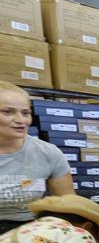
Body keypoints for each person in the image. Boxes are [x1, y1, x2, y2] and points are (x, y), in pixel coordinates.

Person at [0, 83, 74, 235]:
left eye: (26, 113)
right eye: (8, 112)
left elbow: (69, 206)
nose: (21, 120)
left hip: (31, 235)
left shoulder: (48, 153)